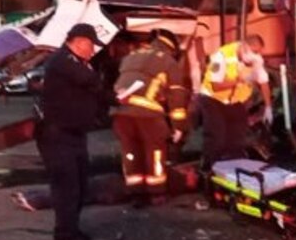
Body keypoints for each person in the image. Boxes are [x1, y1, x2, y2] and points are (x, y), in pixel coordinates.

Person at [34, 23, 105, 240]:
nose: (93, 51)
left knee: (79, 185)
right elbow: (91, 81)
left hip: (73, 134)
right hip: (58, 135)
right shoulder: (62, 60)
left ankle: (66, 229)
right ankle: (69, 238)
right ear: (79, 41)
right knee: (68, 188)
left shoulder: (74, 62)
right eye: (91, 45)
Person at [111, 29, 190, 206]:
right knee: (154, 153)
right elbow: (176, 96)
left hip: (120, 112)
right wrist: (179, 126)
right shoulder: (168, 61)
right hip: (147, 115)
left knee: (130, 152)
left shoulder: (132, 55)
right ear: (172, 48)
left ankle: (135, 192)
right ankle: (156, 193)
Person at [198, 34, 272, 170]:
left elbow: (264, 82)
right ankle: (208, 170)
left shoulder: (256, 60)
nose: (256, 56)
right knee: (216, 137)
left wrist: (268, 107)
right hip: (212, 98)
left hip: (235, 102)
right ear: (244, 47)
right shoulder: (220, 57)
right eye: (254, 51)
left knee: (237, 137)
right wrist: (239, 80)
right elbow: (215, 85)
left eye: (258, 52)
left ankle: (234, 170)